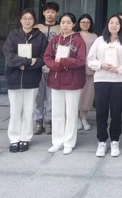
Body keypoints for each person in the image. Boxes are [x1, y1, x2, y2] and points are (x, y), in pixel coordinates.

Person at [87, 14, 122, 157]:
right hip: (101, 79)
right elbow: (90, 59)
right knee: (101, 112)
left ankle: (115, 140)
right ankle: (101, 141)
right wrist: (100, 65)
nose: (114, 25)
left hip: (117, 80)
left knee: (116, 112)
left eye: (117, 23)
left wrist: (118, 69)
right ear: (107, 24)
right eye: (111, 23)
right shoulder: (99, 41)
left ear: (121, 26)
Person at [3, 8, 48, 153]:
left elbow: (44, 57)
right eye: (25, 18)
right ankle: (14, 138)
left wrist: (29, 65)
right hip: (14, 77)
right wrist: (27, 62)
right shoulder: (13, 35)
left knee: (29, 110)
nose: (27, 21)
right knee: (15, 110)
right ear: (20, 20)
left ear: (34, 21)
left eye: (30, 18)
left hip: (32, 78)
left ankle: (25, 138)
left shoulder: (40, 36)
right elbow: (9, 56)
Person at [43, 12, 86, 155]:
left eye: (68, 23)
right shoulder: (55, 39)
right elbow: (47, 57)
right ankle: (57, 141)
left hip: (73, 81)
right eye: (63, 22)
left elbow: (80, 60)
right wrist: (58, 66)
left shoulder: (78, 40)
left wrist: (62, 61)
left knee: (71, 112)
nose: (65, 25)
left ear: (73, 24)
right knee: (57, 112)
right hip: (56, 79)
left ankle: (69, 142)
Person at [33, 1, 60, 135]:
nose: (50, 14)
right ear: (43, 13)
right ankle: (38, 121)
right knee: (38, 96)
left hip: (54, 67)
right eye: (47, 11)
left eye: (52, 12)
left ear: (57, 14)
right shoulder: (36, 28)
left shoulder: (60, 28)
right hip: (38, 66)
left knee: (51, 96)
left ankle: (49, 121)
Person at [75, 13, 98, 131]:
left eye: (88, 22)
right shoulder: (74, 35)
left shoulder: (95, 37)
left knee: (88, 95)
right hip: (76, 69)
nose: (85, 24)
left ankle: (84, 118)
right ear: (79, 23)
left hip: (89, 69)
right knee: (76, 94)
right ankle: (76, 118)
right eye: (83, 22)